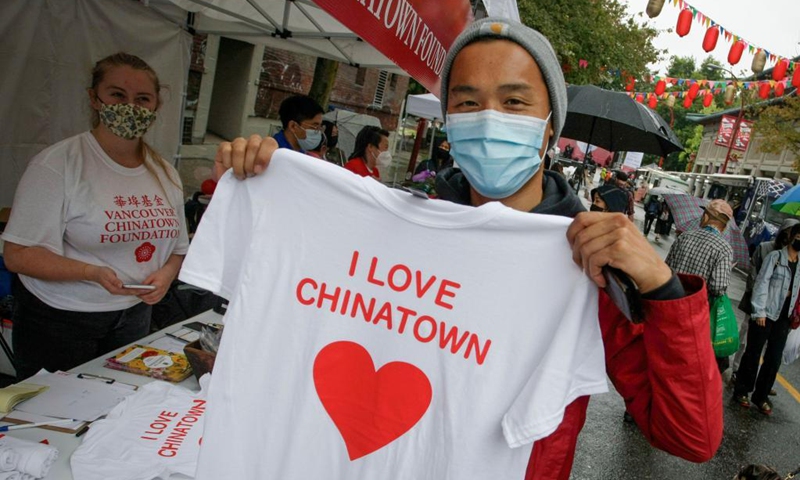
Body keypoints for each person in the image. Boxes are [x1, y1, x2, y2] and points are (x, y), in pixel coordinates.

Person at [212, 18, 722, 478]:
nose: (490, 118)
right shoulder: (394, 228)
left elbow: (691, 437)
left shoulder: (584, 269)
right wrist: (270, 180)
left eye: (515, 101)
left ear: (550, 128)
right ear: (449, 124)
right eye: (468, 102)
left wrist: (663, 287)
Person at [1, 52, 189, 380]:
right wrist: (90, 272)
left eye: (142, 98)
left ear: (156, 105)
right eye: (118, 94)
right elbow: (17, 255)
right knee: (55, 416)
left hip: (134, 315)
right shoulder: (57, 165)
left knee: (118, 407)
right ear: (95, 98)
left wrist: (167, 275)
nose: (130, 106)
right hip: (61, 319)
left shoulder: (164, 172)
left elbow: (178, 249)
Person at [733, 223, 800, 415]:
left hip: (784, 318)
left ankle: (761, 396)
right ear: (792, 236)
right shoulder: (775, 257)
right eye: (799, 236)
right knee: (753, 353)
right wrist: (759, 312)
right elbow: (761, 284)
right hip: (765, 313)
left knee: (774, 358)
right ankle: (742, 391)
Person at [665, 199, 735, 373]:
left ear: (704, 217)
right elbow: (718, 287)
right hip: (696, 312)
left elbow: (665, 270)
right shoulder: (724, 249)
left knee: (667, 350)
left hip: (671, 304)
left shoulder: (684, 236)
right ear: (724, 226)